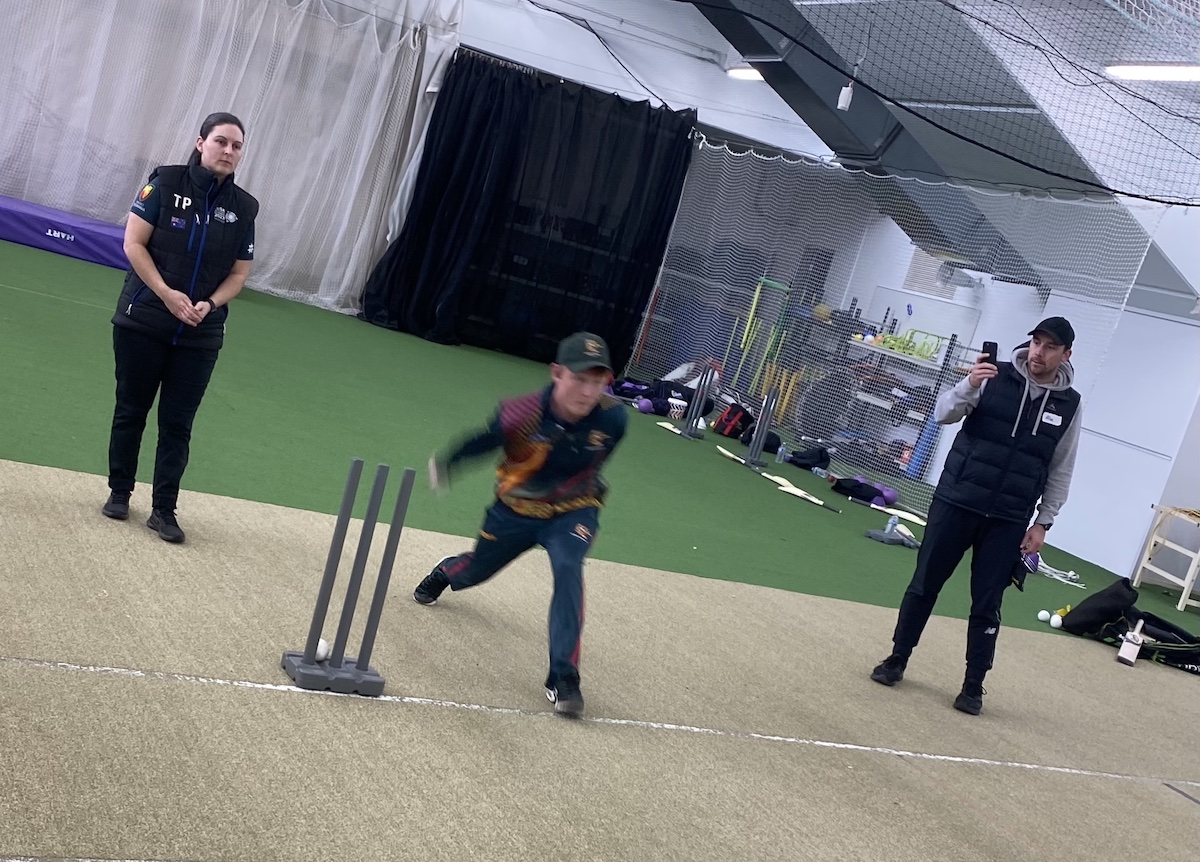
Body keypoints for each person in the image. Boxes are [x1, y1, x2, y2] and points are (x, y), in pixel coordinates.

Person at [870, 317, 1083, 715]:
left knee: (987, 604)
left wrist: (1043, 522)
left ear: (1066, 355)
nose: (1039, 351)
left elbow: (1061, 468)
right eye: (1036, 342)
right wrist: (969, 383)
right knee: (923, 585)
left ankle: (973, 686)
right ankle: (897, 659)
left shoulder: (1070, 405)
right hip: (957, 500)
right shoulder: (992, 375)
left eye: (1050, 346)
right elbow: (942, 414)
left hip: (1008, 518)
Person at [413, 332, 628, 717]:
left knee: (568, 567)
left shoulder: (613, 418)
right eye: (580, 379)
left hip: (574, 511)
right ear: (557, 373)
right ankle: (446, 571)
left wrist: (570, 496)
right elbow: (484, 440)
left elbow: (592, 461)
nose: (588, 391)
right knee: (475, 571)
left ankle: (563, 677)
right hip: (515, 511)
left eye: (598, 381)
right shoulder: (521, 413)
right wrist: (448, 463)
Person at [101, 112, 259, 543]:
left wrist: (209, 303)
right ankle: (119, 492)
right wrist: (167, 294)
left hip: (200, 335)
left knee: (177, 424)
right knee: (131, 409)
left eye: (237, 146)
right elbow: (133, 243)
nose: (228, 151)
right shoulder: (165, 183)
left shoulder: (244, 208)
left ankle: (164, 510)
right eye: (221, 142)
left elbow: (239, 275)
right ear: (201, 142)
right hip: (144, 319)